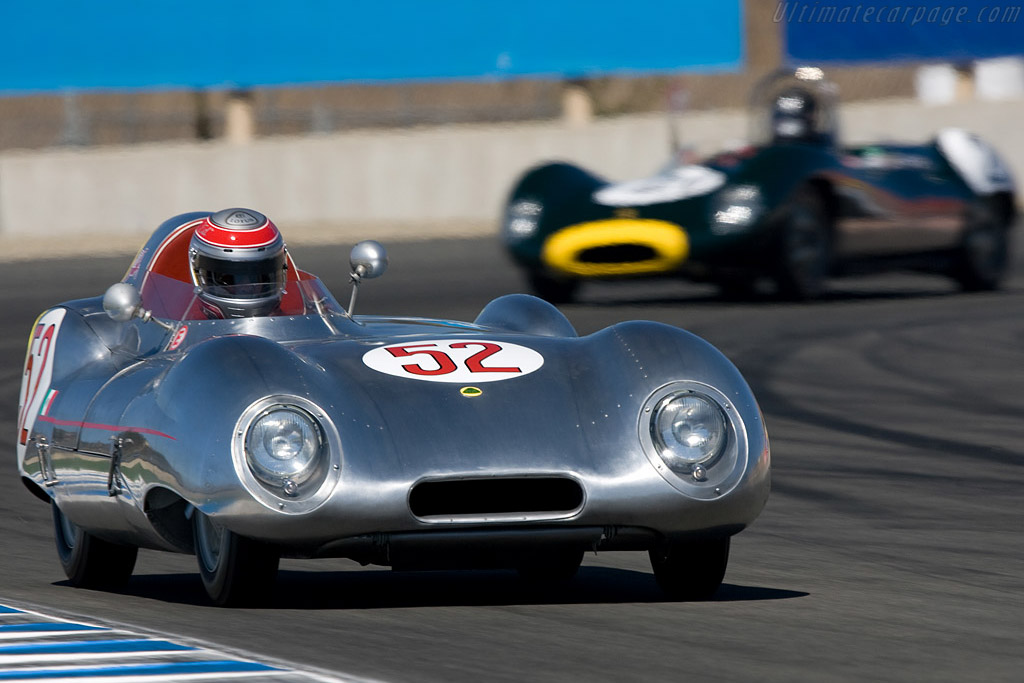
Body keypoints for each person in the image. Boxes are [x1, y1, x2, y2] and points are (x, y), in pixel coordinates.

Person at [189, 208, 288, 318]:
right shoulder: (184, 323)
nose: (247, 288)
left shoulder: (293, 323)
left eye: (259, 276)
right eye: (228, 279)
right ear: (199, 275)